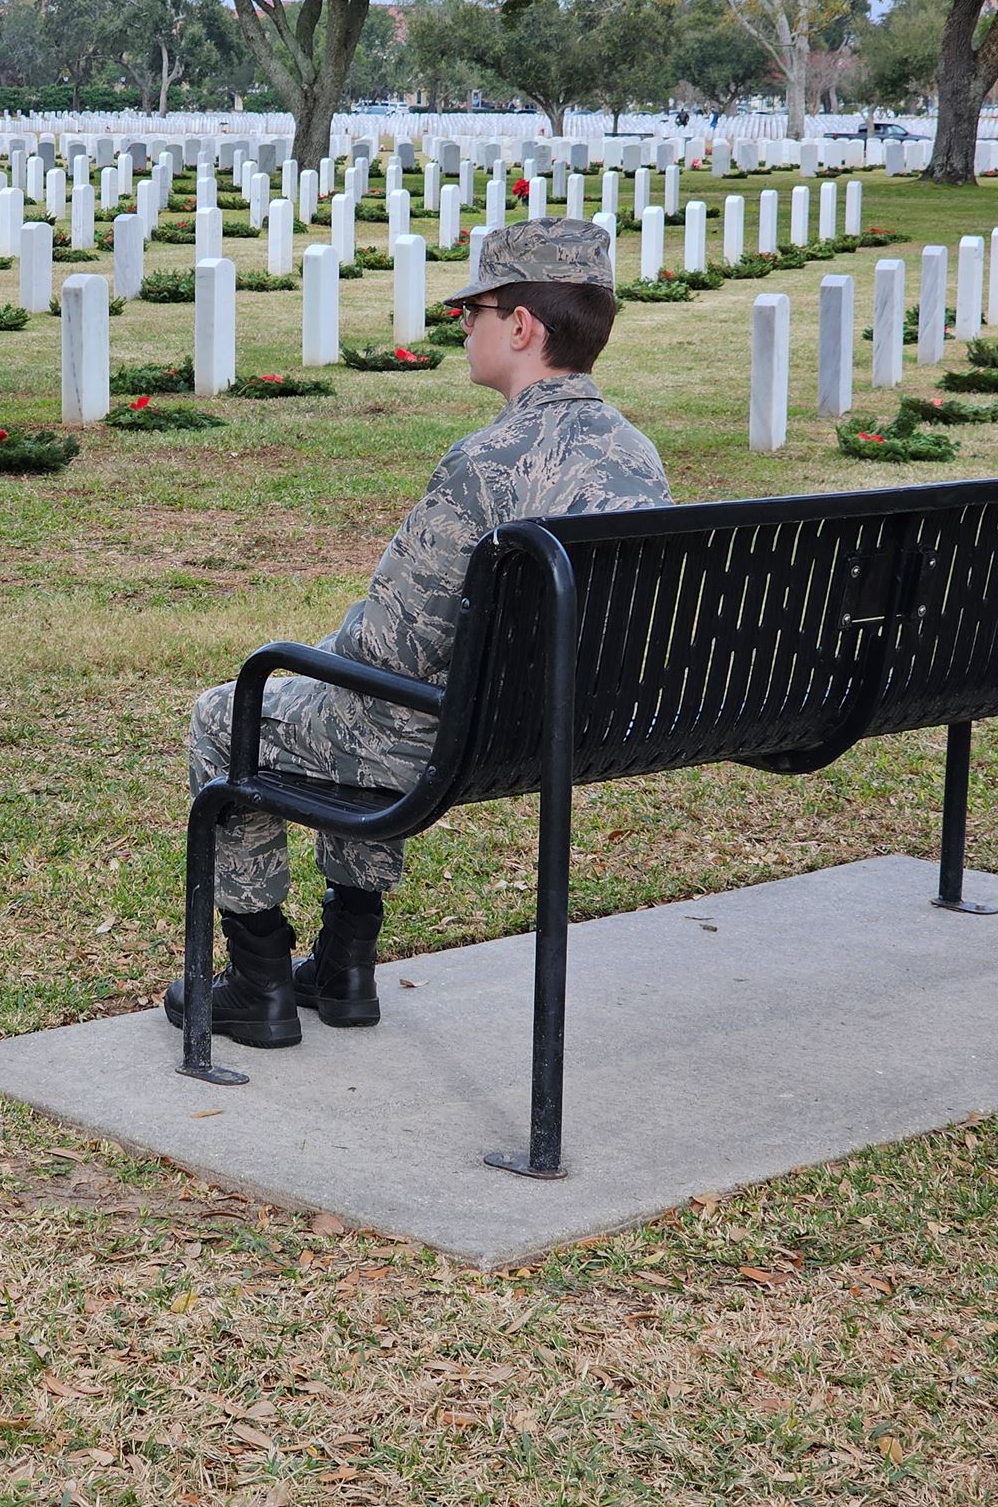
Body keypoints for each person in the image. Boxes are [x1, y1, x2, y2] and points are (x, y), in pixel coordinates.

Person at [164, 217, 672, 1050]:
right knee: (350, 702)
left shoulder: (486, 463)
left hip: (454, 739)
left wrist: (325, 656)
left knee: (232, 716)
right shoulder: (637, 454)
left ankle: (257, 982)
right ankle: (344, 966)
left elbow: (389, 650)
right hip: (568, 728)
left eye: (475, 307)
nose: (463, 322)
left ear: (522, 326)